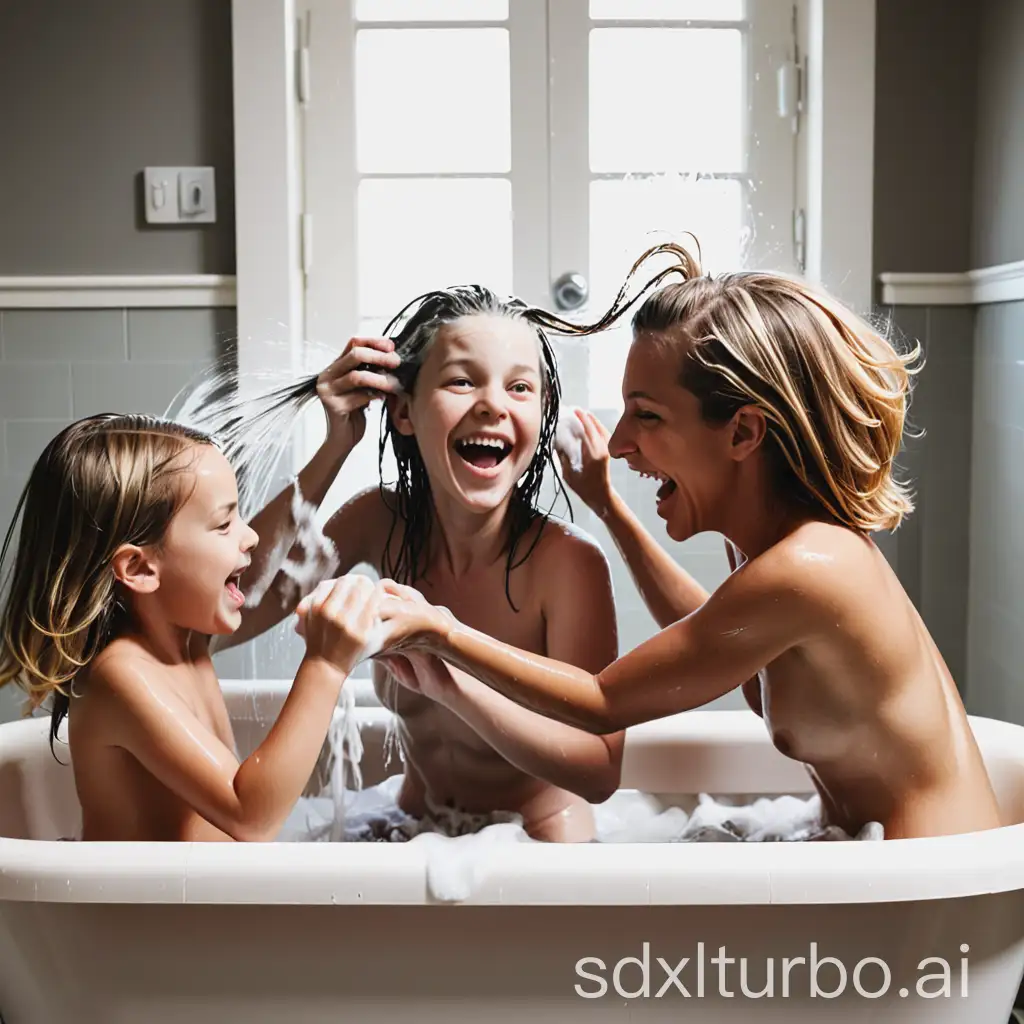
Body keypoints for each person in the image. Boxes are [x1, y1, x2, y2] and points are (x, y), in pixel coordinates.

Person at [367, 242, 1005, 842]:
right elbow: (719, 638)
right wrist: (611, 509)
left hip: (926, 891)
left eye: (647, 414)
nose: (619, 442)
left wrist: (440, 631)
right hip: (863, 860)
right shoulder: (766, 551)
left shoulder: (813, 567)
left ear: (742, 433)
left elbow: (602, 700)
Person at [220, 286, 624, 842]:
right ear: (404, 412)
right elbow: (238, 609)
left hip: (538, 834)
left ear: (542, 415)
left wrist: (450, 679)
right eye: (462, 380)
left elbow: (600, 770)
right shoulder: (379, 522)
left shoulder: (568, 564)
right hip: (412, 823)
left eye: (520, 387)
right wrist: (336, 444)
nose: (492, 403)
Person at [0, 414, 382, 842]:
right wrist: (325, 665)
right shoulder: (122, 676)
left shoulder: (186, 641)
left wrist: (336, 445)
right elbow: (250, 815)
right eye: (224, 524)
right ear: (141, 569)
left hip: (193, 903)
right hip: (139, 910)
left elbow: (259, 582)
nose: (251, 537)